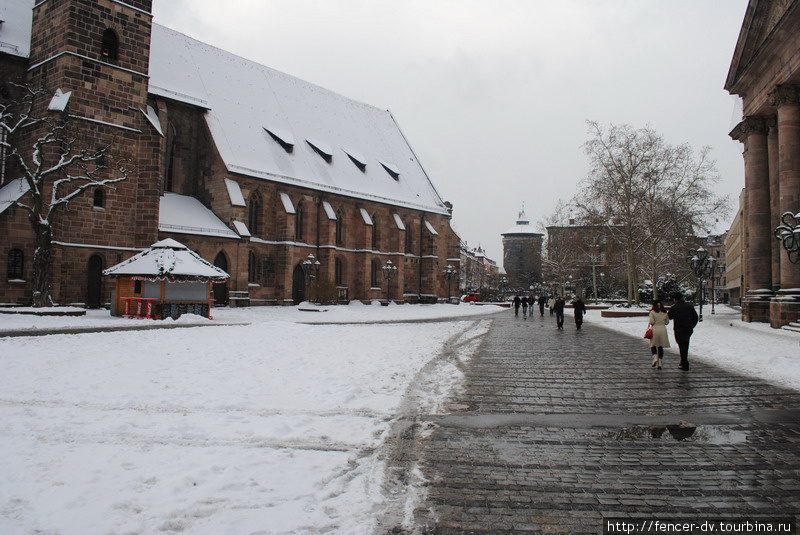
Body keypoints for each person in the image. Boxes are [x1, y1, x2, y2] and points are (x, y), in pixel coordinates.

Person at [667, 292, 698, 370]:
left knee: (681, 345)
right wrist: (692, 326)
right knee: (685, 345)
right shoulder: (689, 307)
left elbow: (669, 317)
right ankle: (683, 361)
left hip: (678, 329)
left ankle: (684, 363)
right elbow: (695, 318)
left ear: (675, 299)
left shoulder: (674, 307)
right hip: (688, 329)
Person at [647, 300, 670, 369]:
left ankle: (654, 357)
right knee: (660, 346)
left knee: (653, 345)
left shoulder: (652, 312)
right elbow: (667, 322)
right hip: (663, 329)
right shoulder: (664, 312)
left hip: (655, 329)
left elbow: (651, 321)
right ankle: (660, 362)